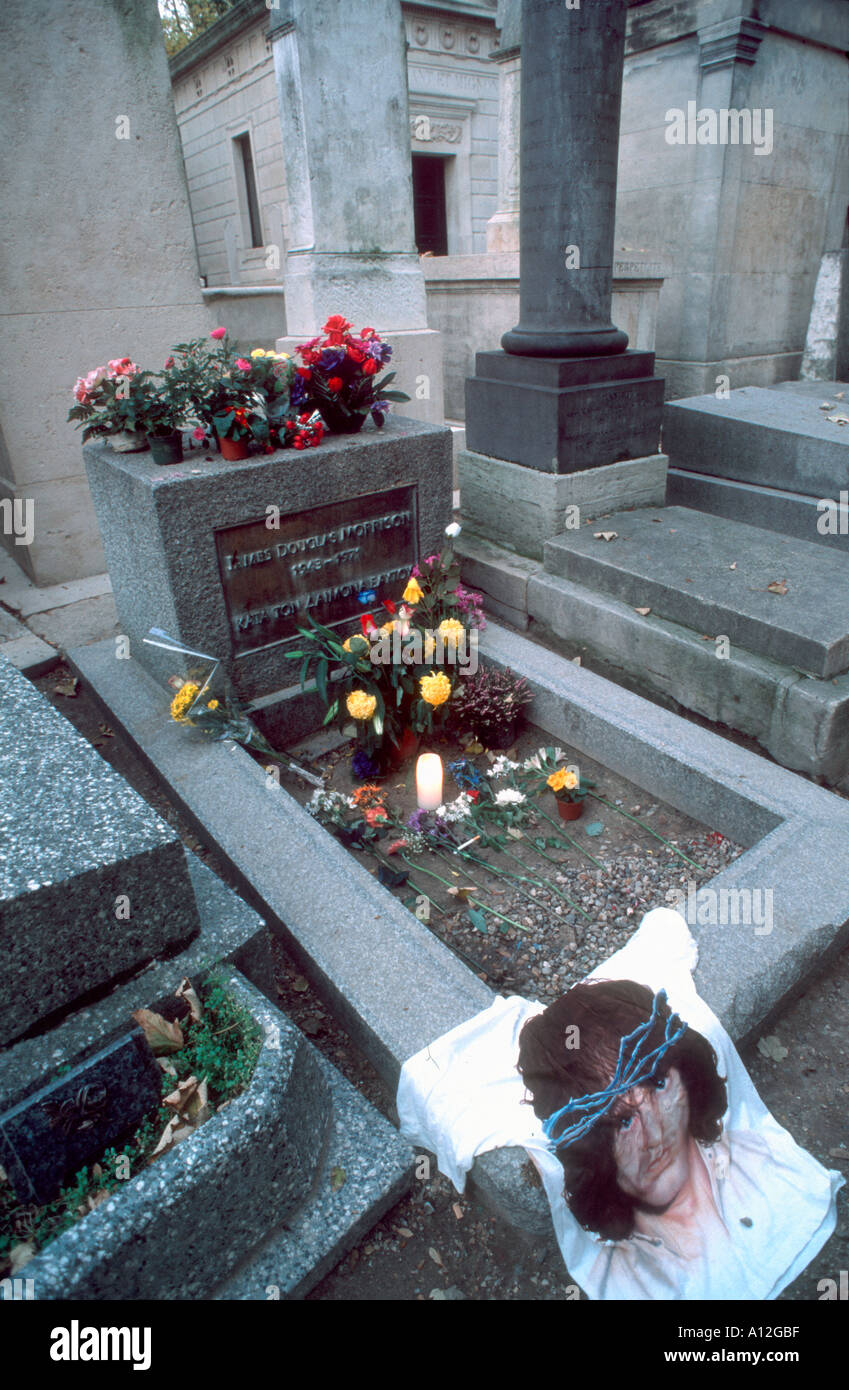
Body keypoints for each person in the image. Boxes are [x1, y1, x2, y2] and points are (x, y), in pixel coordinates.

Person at [397, 908, 844, 1299]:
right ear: (588, 1146)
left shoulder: (763, 1165)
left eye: (658, 1086)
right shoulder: (625, 1273)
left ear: (687, 1077)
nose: (653, 1135)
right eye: (622, 1122)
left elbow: (665, 926)